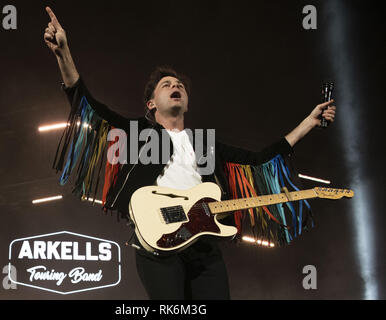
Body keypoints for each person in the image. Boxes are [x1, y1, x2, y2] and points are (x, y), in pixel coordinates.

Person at [43, 6, 336, 300]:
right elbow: (89, 107)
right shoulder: (137, 134)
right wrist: (63, 53)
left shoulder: (205, 144)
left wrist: (309, 122)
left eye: (180, 85)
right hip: (157, 237)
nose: (176, 86)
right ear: (151, 104)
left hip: (204, 244)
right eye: (167, 84)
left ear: (186, 103)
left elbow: (260, 160)